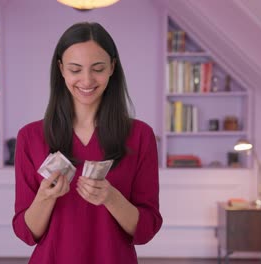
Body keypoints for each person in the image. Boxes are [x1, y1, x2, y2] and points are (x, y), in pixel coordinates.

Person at [12, 22, 162, 264]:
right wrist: (45, 197)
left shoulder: (140, 135)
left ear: (112, 67)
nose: (87, 80)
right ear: (61, 69)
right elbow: (27, 233)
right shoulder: (30, 137)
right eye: (75, 69)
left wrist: (111, 197)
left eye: (98, 68)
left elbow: (146, 229)